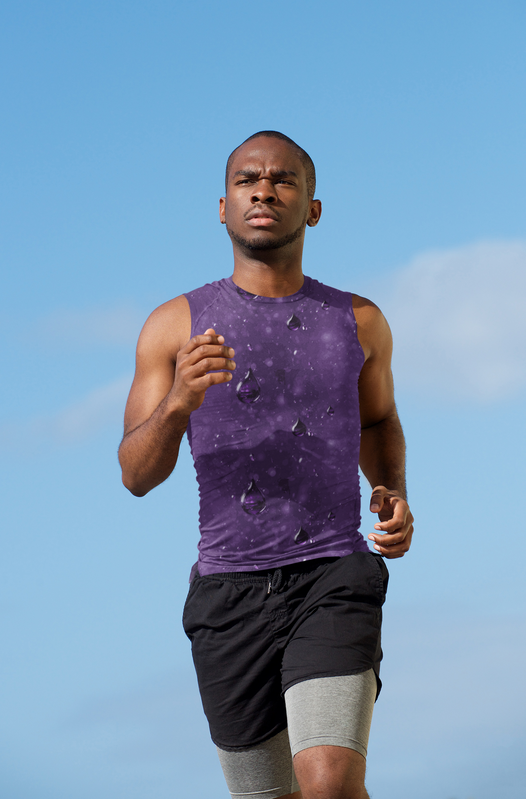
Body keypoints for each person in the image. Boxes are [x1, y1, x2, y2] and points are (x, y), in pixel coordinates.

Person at [119, 131, 414, 799]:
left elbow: (377, 420)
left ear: (311, 208)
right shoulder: (173, 326)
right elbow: (135, 474)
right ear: (221, 207)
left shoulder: (359, 320)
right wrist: (178, 402)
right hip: (227, 596)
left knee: (329, 782)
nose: (263, 188)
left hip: (332, 574)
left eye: (283, 179)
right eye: (248, 179)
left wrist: (390, 490)